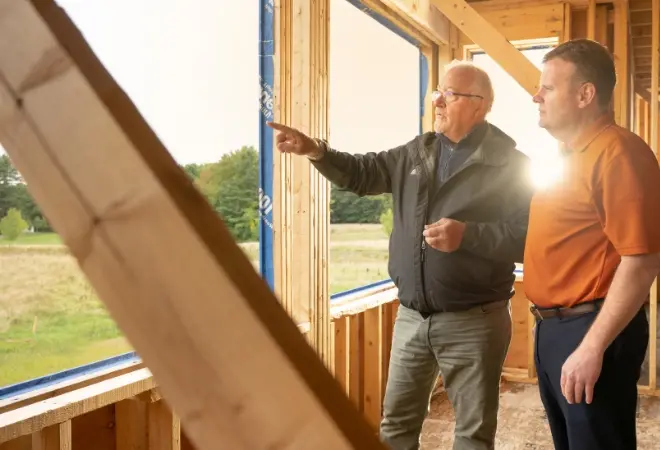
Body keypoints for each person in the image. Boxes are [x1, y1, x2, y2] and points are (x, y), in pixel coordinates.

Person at [268, 60, 534, 450]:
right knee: (395, 426)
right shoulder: (416, 152)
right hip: (411, 318)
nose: (438, 101)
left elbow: (527, 238)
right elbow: (361, 172)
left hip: (475, 321)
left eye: (450, 94)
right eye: (437, 93)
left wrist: (469, 235)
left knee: (473, 434)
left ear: (480, 105)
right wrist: (316, 151)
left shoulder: (512, 165)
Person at [525, 38, 660, 450]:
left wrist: (592, 346)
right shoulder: (570, 156)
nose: (536, 96)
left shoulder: (618, 152)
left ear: (586, 94)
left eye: (548, 87)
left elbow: (643, 260)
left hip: (591, 328)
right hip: (556, 327)